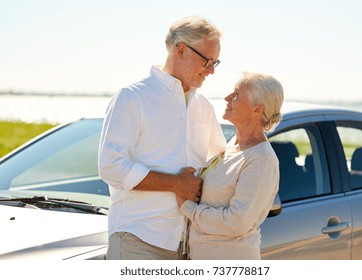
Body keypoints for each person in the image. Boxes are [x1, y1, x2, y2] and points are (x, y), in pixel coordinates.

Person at [98, 16, 227, 260]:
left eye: (215, 62)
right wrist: (175, 183)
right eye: (207, 61)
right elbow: (111, 167)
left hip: (189, 246)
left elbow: (219, 164)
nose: (211, 70)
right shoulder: (132, 98)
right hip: (138, 239)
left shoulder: (203, 106)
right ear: (181, 49)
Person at [177, 72, 284, 259]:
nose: (227, 98)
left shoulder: (262, 160)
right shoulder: (233, 145)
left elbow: (237, 222)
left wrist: (188, 208)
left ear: (257, 109)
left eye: (236, 95)